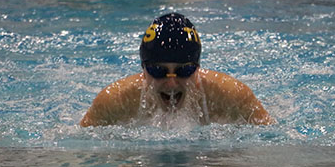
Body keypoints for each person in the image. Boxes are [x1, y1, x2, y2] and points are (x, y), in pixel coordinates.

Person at [80, 13, 273, 127]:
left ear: (197, 69)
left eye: (184, 70)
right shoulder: (114, 102)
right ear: (143, 70)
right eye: (158, 71)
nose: (171, 83)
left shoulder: (232, 96)